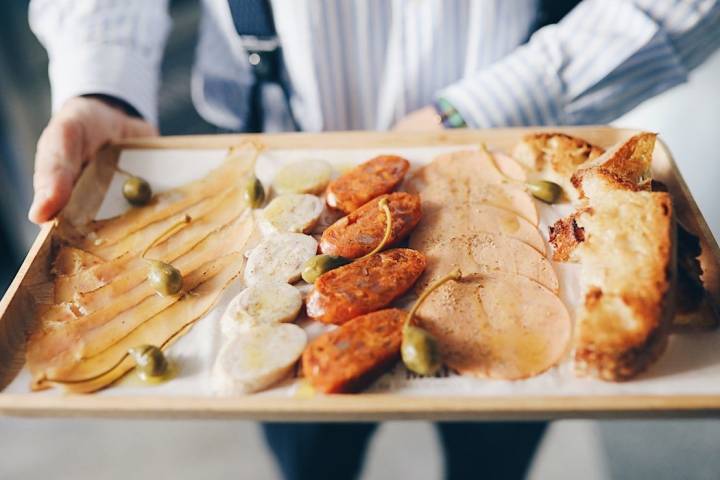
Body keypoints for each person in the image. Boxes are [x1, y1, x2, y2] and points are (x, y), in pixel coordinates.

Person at [27, 1, 720, 478]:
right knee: (310, 452)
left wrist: (487, 109)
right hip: (283, 139)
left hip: (508, 144)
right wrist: (103, 81)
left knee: (495, 452)